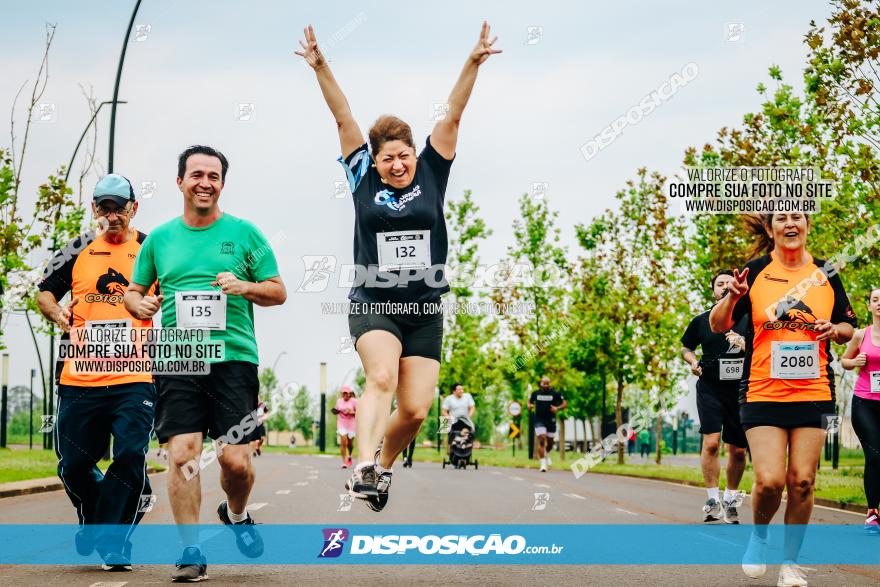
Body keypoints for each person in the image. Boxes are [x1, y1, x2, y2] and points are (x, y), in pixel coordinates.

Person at [295, 22, 500, 512]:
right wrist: (321, 65)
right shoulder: (362, 174)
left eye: (403, 156)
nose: (397, 165)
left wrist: (472, 63)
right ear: (375, 159)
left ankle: (381, 467)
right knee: (381, 378)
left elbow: (454, 113)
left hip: (426, 307)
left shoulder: (433, 167)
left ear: (414, 153)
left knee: (414, 410)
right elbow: (342, 115)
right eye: (388, 159)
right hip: (374, 302)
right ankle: (363, 464)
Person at [124, 145, 287, 582]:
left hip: (234, 357)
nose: (205, 182)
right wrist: (141, 305)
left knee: (235, 463)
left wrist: (244, 285)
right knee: (183, 455)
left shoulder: (245, 234)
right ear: (180, 181)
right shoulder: (159, 239)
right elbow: (133, 292)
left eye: (213, 176)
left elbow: (278, 291)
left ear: (222, 184)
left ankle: (235, 514)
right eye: (196, 174)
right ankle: (190, 552)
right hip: (180, 354)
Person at [710, 213, 856, 586]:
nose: (790, 223)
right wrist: (732, 296)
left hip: (814, 391)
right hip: (763, 391)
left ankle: (790, 563)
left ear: (807, 225)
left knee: (803, 481)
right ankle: (759, 537)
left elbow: (847, 326)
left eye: (797, 217)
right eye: (781, 218)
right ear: (771, 228)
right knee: (770, 481)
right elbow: (718, 324)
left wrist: (834, 330)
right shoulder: (755, 272)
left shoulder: (827, 272)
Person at [36, 174, 156, 571]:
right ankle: (99, 516)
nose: (112, 215)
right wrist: (57, 311)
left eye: (120, 207)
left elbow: (176, 294)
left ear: (133, 209)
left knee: (129, 455)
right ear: (94, 210)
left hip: (133, 377)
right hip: (80, 377)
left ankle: (112, 541)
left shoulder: (152, 247)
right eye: (104, 207)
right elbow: (44, 290)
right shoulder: (77, 247)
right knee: (72, 463)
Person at [681, 270, 749, 524]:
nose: (724, 287)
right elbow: (686, 346)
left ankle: (730, 500)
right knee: (711, 443)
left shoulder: (748, 318)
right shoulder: (702, 320)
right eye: (719, 284)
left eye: (729, 284)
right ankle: (712, 499)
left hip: (741, 389)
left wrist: (745, 344)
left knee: (739, 450)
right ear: (713, 291)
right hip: (710, 387)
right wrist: (692, 361)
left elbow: (764, 345)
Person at [840, 286, 880, 534]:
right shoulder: (859, 335)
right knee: (875, 455)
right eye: (875, 300)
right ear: (869, 306)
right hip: (864, 402)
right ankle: (872, 512)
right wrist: (854, 362)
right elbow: (844, 360)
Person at [528, 377, 566, 472]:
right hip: (539, 419)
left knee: (550, 443)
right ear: (540, 383)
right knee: (542, 438)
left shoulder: (555, 393)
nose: (545, 385)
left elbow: (564, 403)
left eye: (547, 383)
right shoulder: (535, 393)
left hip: (551, 420)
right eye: (544, 383)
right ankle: (543, 464)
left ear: (550, 384)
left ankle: (546, 453)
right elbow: (529, 402)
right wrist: (529, 406)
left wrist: (557, 408)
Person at [442, 382, 476, 452]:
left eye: (462, 389)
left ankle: (466, 446)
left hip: (465, 419)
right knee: (445, 427)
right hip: (453, 420)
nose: (462, 391)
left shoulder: (468, 396)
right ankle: (449, 449)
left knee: (471, 431)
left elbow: (472, 407)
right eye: (459, 389)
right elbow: (444, 411)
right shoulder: (449, 399)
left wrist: (469, 416)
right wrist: (448, 417)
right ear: (454, 391)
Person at [333, 386, 357, 468]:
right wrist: (335, 411)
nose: (345, 395)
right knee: (343, 442)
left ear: (350, 393)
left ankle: (350, 455)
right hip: (341, 423)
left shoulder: (354, 401)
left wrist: (351, 412)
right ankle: (344, 461)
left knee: (349, 444)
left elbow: (358, 412)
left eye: (346, 393)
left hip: (351, 424)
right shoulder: (339, 401)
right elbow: (336, 410)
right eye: (343, 393)